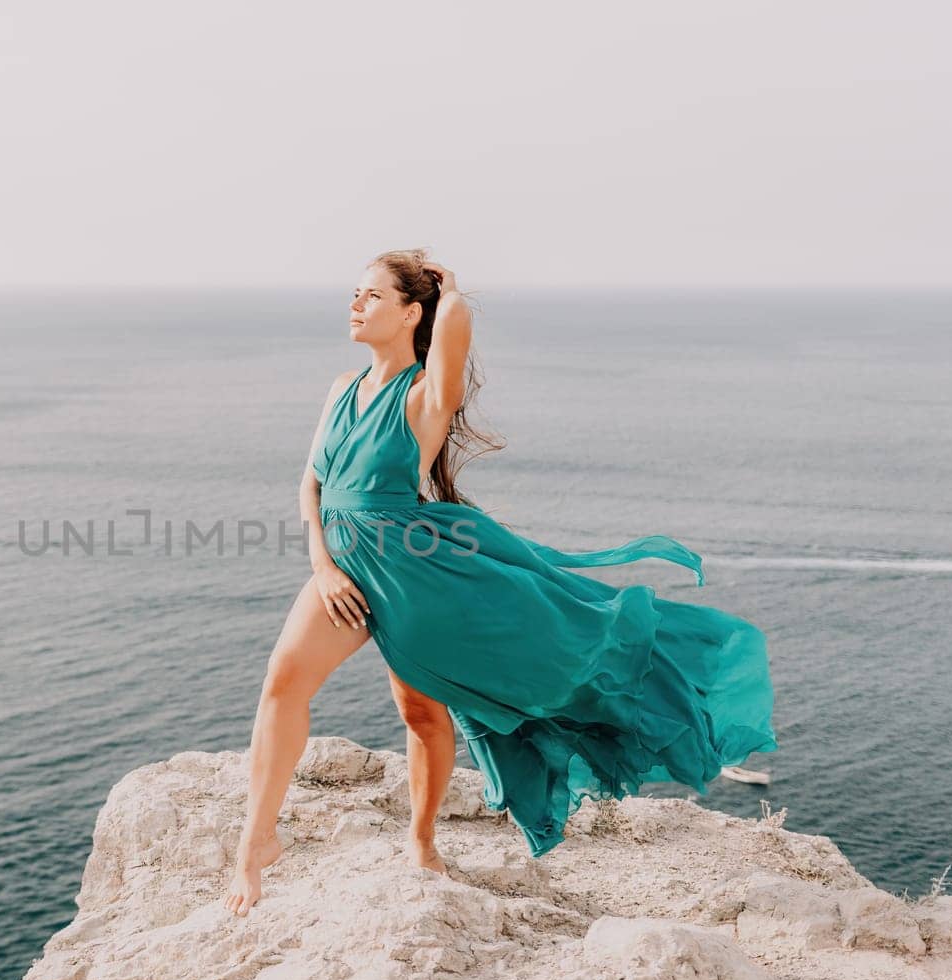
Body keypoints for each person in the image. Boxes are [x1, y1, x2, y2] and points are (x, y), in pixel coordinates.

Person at [222, 249, 779, 918]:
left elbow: (453, 332)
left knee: (421, 711)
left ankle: (422, 841)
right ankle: (258, 840)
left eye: (372, 295)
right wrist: (321, 561)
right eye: (355, 293)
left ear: (409, 313)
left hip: (415, 577)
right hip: (341, 571)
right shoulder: (342, 386)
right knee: (283, 683)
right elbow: (309, 483)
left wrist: (449, 290)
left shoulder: (425, 396)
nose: (355, 304)